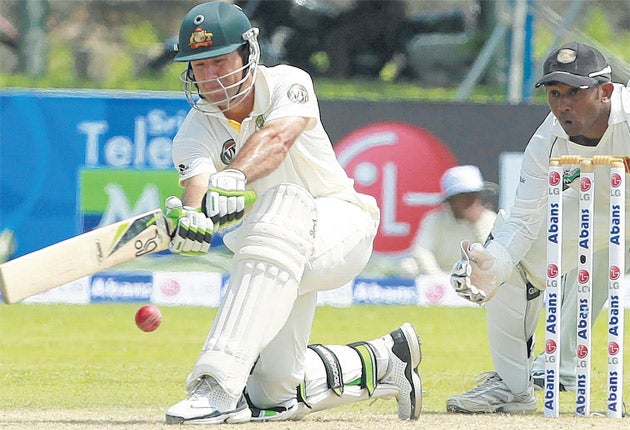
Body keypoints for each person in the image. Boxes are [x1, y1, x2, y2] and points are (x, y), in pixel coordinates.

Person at [162, 2, 422, 424]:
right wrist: (189, 219)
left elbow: (279, 137)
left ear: (248, 52)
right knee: (273, 391)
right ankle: (385, 359)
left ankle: (216, 383)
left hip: (338, 227)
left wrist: (235, 175)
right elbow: (197, 189)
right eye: (199, 68)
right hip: (269, 259)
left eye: (219, 62)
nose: (210, 78)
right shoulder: (193, 131)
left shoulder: (288, 82)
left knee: (284, 202)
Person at [447, 41, 630, 413]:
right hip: (591, 213)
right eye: (554, 93)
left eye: (575, 93)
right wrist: (492, 265)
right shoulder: (546, 142)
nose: (563, 104)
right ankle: (514, 387)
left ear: (605, 91)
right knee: (510, 263)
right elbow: (524, 219)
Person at [400, 165, 496, 277]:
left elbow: (492, 256)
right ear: (451, 201)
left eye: (473, 196)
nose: (470, 202)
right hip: (439, 277)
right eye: (464, 196)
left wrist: (477, 223)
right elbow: (422, 251)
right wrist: (438, 277)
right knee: (408, 266)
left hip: (476, 279)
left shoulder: (489, 219)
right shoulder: (435, 219)